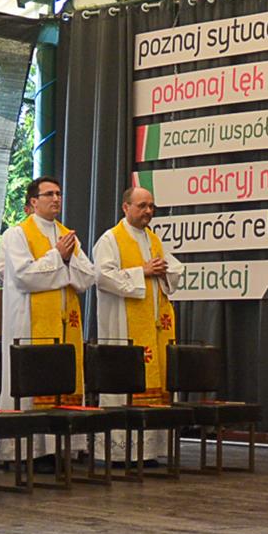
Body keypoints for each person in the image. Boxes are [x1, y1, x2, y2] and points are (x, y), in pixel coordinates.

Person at [0, 175, 95, 460]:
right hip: (29, 321)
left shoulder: (67, 235)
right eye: (49, 194)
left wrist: (64, 259)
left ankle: (60, 449)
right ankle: (31, 452)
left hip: (65, 322)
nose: (56, 199)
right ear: (33, 201)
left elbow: (88, 277)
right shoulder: (17, 234)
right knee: (32, 378)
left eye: (58, 194)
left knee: (63, 376)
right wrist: (59, 258)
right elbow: (24, 276)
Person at [93, 186, 181, 465]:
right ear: (125, 207)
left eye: (151, 206)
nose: (148, 211)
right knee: (126, 381)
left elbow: (174, 270)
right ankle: (121, 452)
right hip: (123, 325)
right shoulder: (110, 239)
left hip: (154, 326)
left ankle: (150, 451)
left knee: (157, 380)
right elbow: (102, 277)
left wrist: (164, 271)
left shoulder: (154, 240)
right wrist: (141, 271)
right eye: (142, 206)